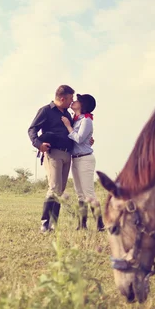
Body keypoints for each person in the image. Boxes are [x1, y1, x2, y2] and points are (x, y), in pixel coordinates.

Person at [28, 85, 75, 232]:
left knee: (60, 190)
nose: (71, 102)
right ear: (62, 98)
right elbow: (32, 129)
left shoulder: (67, 114)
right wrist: (38, 144)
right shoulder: (46, 110)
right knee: (54, 188)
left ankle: (54, 224)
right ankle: (45, 224)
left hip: (68, 154)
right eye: (70, 99)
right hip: (53, 153)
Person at [61, 94, 105, 231]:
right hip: (76, 158)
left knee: (88, 193)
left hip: (85, 159)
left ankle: (100, 225)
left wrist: (68, 126)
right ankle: (82, 225)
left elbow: (79, 139)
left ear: (83, 105)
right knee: (80, 193)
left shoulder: (86, 120)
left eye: (78, 100)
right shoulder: (77, 119)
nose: (74, 101)